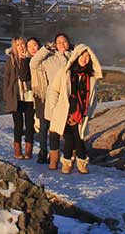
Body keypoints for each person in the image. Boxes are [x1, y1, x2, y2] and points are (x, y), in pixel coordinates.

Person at [49, 44, 103, 174]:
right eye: (82, 55)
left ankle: (74, 162)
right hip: (65, 111)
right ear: (76, 56)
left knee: (78, 137)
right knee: (70, 137)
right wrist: (55, 107)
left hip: (82, 112)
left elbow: (93, 96)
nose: (85, 59)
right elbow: (53, 90)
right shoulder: (65, 71)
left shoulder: (91, 76)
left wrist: (90, 112)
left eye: (88, 56)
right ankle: (74, 162)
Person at [30, 33, 73, 169]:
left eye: (64, 41)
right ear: (54, 44)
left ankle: (68, 158)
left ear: (68, 43)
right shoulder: (49, 58)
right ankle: (53, 160)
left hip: (70, 97)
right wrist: (46, 49)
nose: (61, 44)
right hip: (54, 98)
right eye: (58, 42)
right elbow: (33, 63)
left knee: (69, 130)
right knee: (53, 129)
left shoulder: (74, 56)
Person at [2, 37, 35, 159]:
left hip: (30, 96)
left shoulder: (31, 57)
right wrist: (6, 94)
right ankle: (17, 150)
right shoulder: (11, 59)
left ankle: (28, 150)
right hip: (16, 96)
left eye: (22, 44)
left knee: (30, 124)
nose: (21, 46)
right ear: (14, 47)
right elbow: (7, 77)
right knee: (18, 124)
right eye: (18, 45)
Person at [26, 37, 48, 164]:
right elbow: (24, 75)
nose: (33, 48)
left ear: (40, 46)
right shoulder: (30, 61)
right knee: (43, 125)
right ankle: (43, 150)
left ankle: (57, 152)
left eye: (35, 45)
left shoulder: (49, 58)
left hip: (53, 94)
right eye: (30, 47)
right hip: (39, 95)